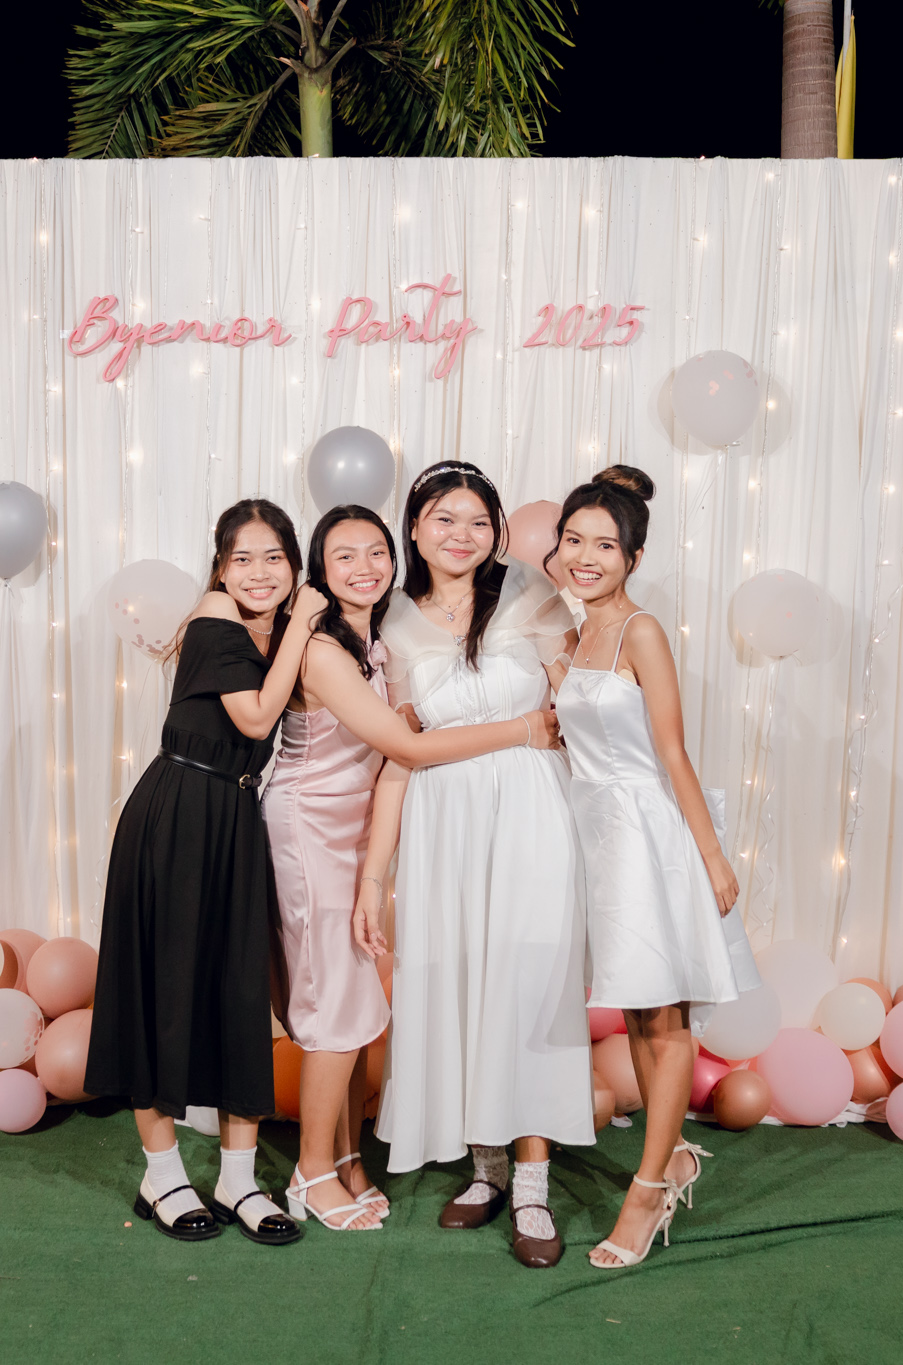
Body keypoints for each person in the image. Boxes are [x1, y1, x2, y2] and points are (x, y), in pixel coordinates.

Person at [262, 504, 562, 1234]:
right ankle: (313, 1172)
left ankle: (347, 1159)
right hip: (315, 829)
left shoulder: (376, 641)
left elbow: (397, 751)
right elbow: (410, 750)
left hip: (363, 827)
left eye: (375, 552)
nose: (364, 567)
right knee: (336, 1003)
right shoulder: (329, 648)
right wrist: (526, 727)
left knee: (358, 998)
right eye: (343, 556)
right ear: (318, 570)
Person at [352, 461, 593, 1269]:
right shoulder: (391, 621)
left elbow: (576, 709)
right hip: (443, 824)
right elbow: (399, 755)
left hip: (533, 814)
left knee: (526, 988)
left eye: (479, 521)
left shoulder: (530, 593)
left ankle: (532, 1184)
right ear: (415, 528)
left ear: (497, 532)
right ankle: (486, 1168)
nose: (462, 534)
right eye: (444, 519)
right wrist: (376, 873)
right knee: (460, 984)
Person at [86, 499, 327, 1247]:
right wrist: (303, 620)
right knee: (161, 991)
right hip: (180, 813)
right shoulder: (216, 616)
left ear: (294, 563)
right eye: (241, 558)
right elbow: (254, 719)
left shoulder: (267, 630)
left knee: (238, 992)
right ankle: (162, 1174)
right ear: (220, 568)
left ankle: (237, 1178)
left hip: (236, 818)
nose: (259, 573)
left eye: (274, 558)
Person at [548, 466, 749, 1269]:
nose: (586, 556)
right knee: (637, 1014)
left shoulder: (642, 632)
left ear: (632, 557)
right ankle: (672, 1159)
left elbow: (672, 753)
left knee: (665, 1023)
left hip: (644, 838)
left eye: (605, 545)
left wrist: (711, 856)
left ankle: (647, 1191)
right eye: (574, 540)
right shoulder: (573, 638)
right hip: (595, 836)